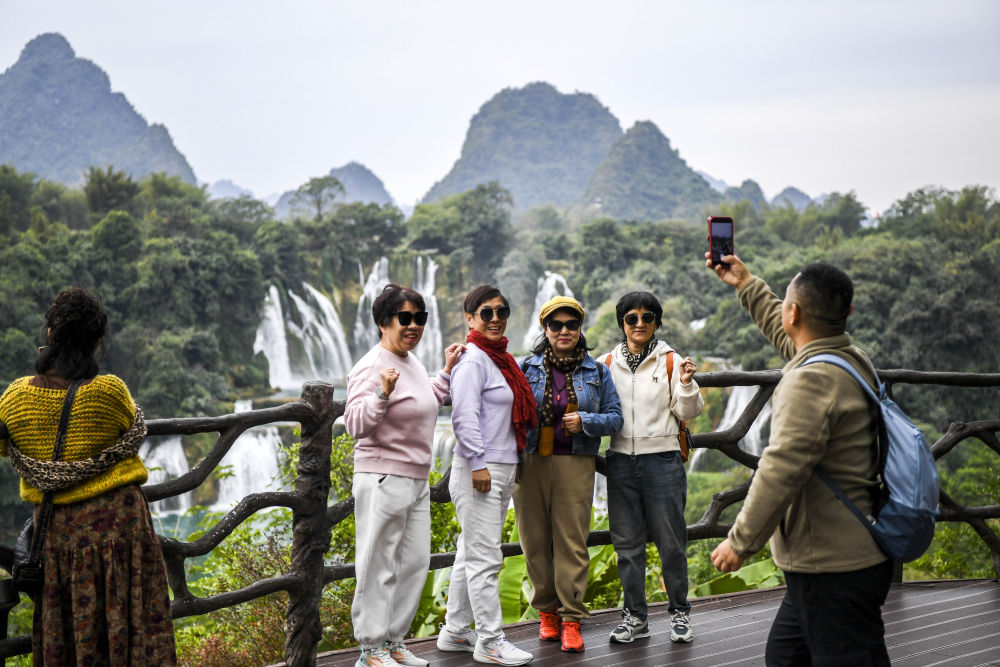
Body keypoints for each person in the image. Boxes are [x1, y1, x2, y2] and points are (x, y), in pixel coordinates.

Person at [706, 253, 893, 665]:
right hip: (843, 553)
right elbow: (790, 335)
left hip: (833, 565)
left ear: (795, 312)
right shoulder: (850, 357)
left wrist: (740, 542)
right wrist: (745, 284)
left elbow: (781, 468)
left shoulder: (811, 380)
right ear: (848, 312)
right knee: (786, 655)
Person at [0, 288, 177, 665]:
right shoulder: (110, 392)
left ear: (49, 336)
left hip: (59, 537)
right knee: (133, 623)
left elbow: (4, 446)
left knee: (68, 628)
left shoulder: (14, 398)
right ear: (97, 342)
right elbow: (130, 429)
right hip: (121, 531)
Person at [344, 284, 464, 667]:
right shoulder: (370, 366)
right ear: (383, 322)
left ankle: (395, 640)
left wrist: (445, 372)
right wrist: (381, 393)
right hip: (382, 477)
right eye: (405, 318)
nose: (414, 326)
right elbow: (354, 424)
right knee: (378, 563)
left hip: (415, 479)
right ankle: (371, 647)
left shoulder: (411, 362)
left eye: (420, 318)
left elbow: (426, 400)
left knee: (413, 562)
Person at [515, 296, 623, 653]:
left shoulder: (598, 371)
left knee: (572, 541)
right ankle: (547, 613)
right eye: (556, 325)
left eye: (571, 325)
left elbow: (615, 416)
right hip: (531, 462)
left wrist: (586, 422)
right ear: (545, 329)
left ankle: (572, 618)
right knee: (534, 540)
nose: (564, 331)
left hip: (575, 462)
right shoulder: (524, 368)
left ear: (580, 329)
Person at [437, 285, 537, 667]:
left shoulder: (501, 360)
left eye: (501, 311)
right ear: (470, 318)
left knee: (470, 551)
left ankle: (456, 630)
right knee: (484, 557)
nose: (495, 318)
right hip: (481, 468)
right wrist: (477, 463)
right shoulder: (474, 360)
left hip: (502, 464)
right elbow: (462, 416)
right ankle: (491, 641)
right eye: (486, 312)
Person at [600, 291, 704, 645]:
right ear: (622, 323)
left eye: (648, 317)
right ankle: (635, 618)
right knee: (627, 545)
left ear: (657, 321)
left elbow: (690, 412)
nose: (640, 324)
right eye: (632, 318)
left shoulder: (671, 361)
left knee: (672, 542)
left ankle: (679, 613)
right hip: (619, 463)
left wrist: (687, 384)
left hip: (662, 460)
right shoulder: (606, 363)